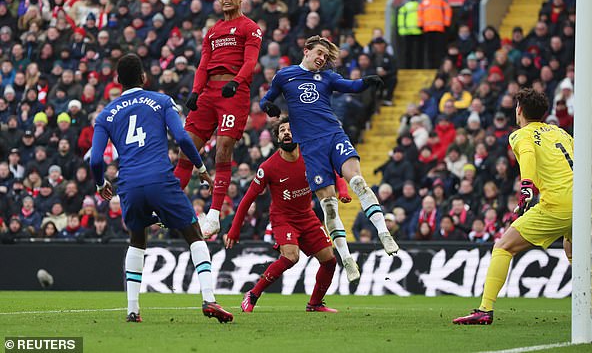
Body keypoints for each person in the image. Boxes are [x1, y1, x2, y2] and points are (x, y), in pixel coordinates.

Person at [89, 53, 233, 324]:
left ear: (118, 81)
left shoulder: (106, 114)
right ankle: (209, 298)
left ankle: (132, 309)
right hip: (160, 180)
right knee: (194, 235)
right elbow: (182, 138)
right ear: (144, 77)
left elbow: (96, 159)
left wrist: (100, 184)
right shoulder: (161, 101)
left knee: (137, 239)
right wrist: (201, 169)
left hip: (129, 184)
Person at [453, 88, 592, 325]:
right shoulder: (560, 132)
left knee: (503, 247)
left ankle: (485, 309)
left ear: (519, 110)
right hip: (585, 200)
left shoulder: (520, 135)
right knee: (575, 253)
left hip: (557, 204)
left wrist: (526, 185)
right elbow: (589, 167)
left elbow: (527, 155)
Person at [260, 35, 399, 283]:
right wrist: (268, 106)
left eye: (325, 56)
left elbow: (351, 86)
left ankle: (384, 231)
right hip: (310, 148)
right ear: (306, 51)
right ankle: (346, 258)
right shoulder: (285, 75)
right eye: (320, 53)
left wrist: (367, 81)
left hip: (333, 134)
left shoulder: (327, 77)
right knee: (328, 204)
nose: (322, 59)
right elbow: (266, 98)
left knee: (357, 181)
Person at [172, 0, 262, 239]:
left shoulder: (251, 28)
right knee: (186, 148)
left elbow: (250, 62)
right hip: (208, 93)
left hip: (233, 93)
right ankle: (172, 207)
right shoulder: (212, 31)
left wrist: (236, 82)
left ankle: (214, 215)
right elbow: (203, 65)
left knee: (223, 148)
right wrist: (195, 91)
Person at [226, 117, 338, 313]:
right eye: (282, 130)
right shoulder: (268, 167)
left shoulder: (309, 155)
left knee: (329, 260)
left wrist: (342, 192)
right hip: (283, 218)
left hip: (307, 216)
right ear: (277, 137)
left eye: (290, 129)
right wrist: (234, 230)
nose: (287, 133)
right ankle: (253, 294)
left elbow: (334, 171)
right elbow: (246, 200)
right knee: (291, 257)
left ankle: (314, 304)